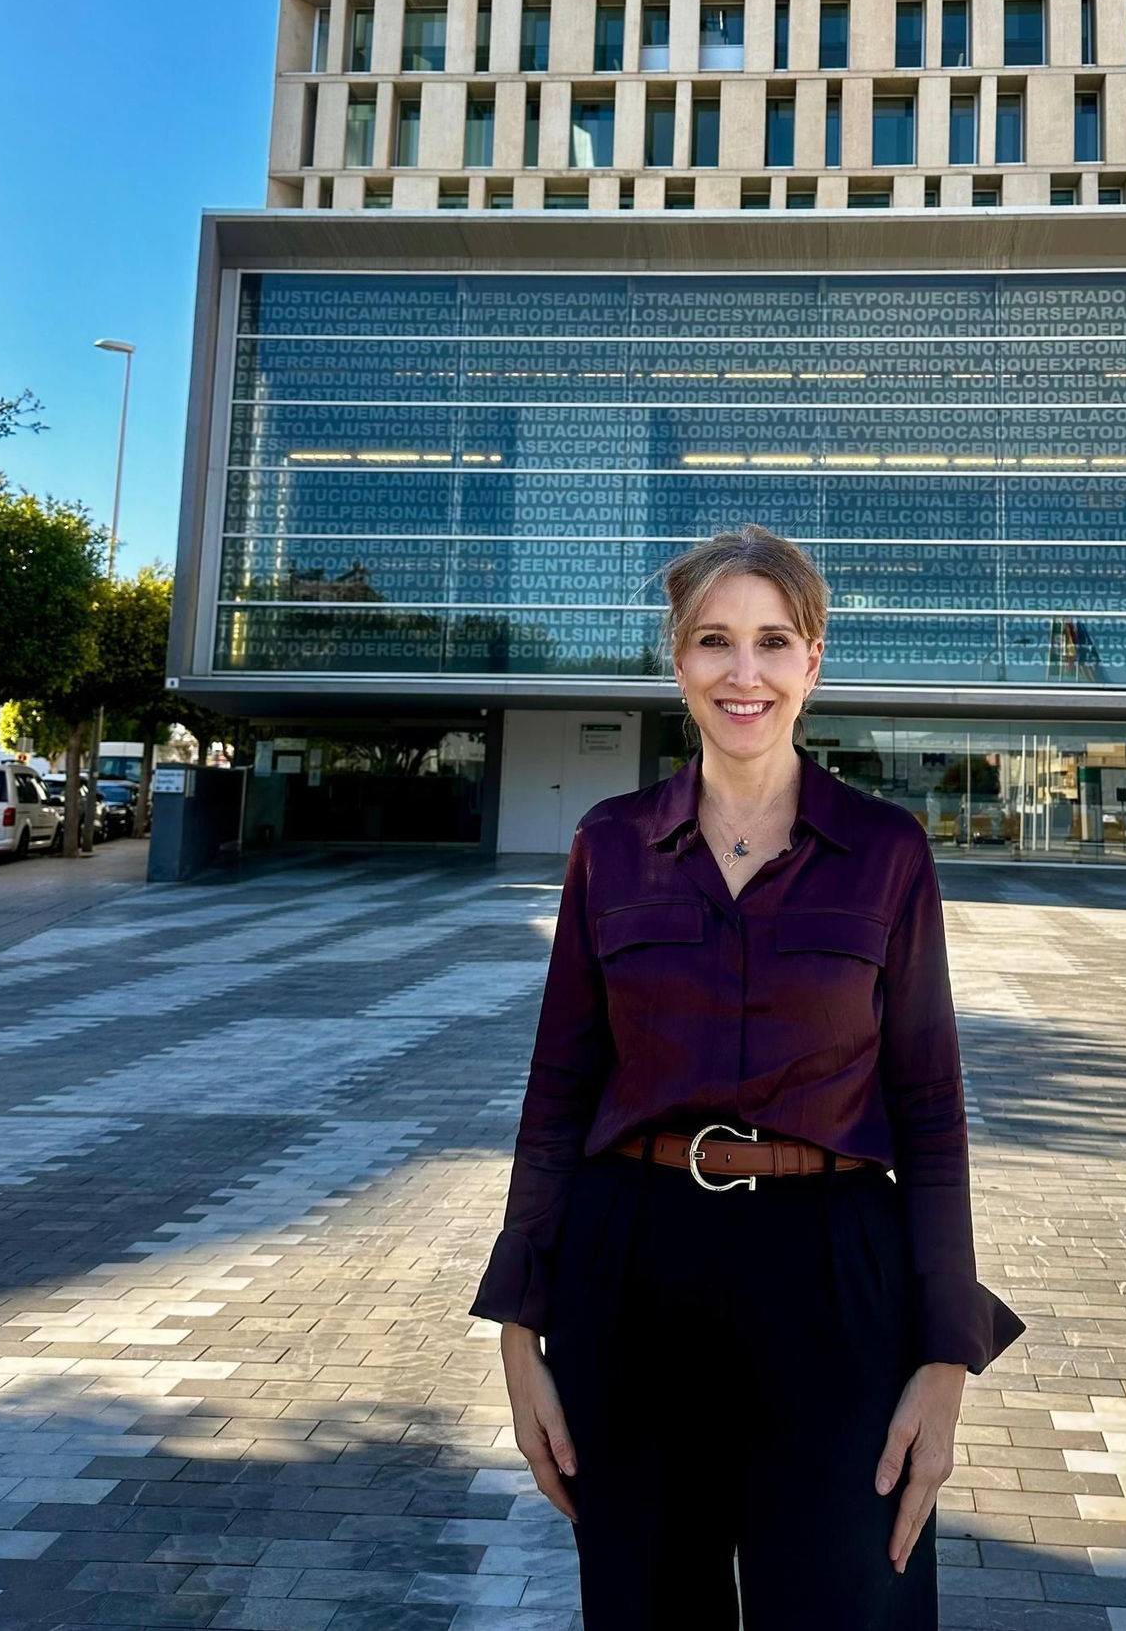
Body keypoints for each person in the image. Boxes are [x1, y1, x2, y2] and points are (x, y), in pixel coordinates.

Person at [469, 523, 1024, 1628]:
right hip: (632, 1267)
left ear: (814, 660)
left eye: (774, 641)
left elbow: (928, 1109)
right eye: (714, 641)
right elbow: (558, 1087)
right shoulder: (610, 845)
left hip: (832, 1269)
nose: (744, 671)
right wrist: (519, 1330)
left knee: (846, 1605)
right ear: (677, 664)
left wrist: (944, 1356)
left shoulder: (886, 851)